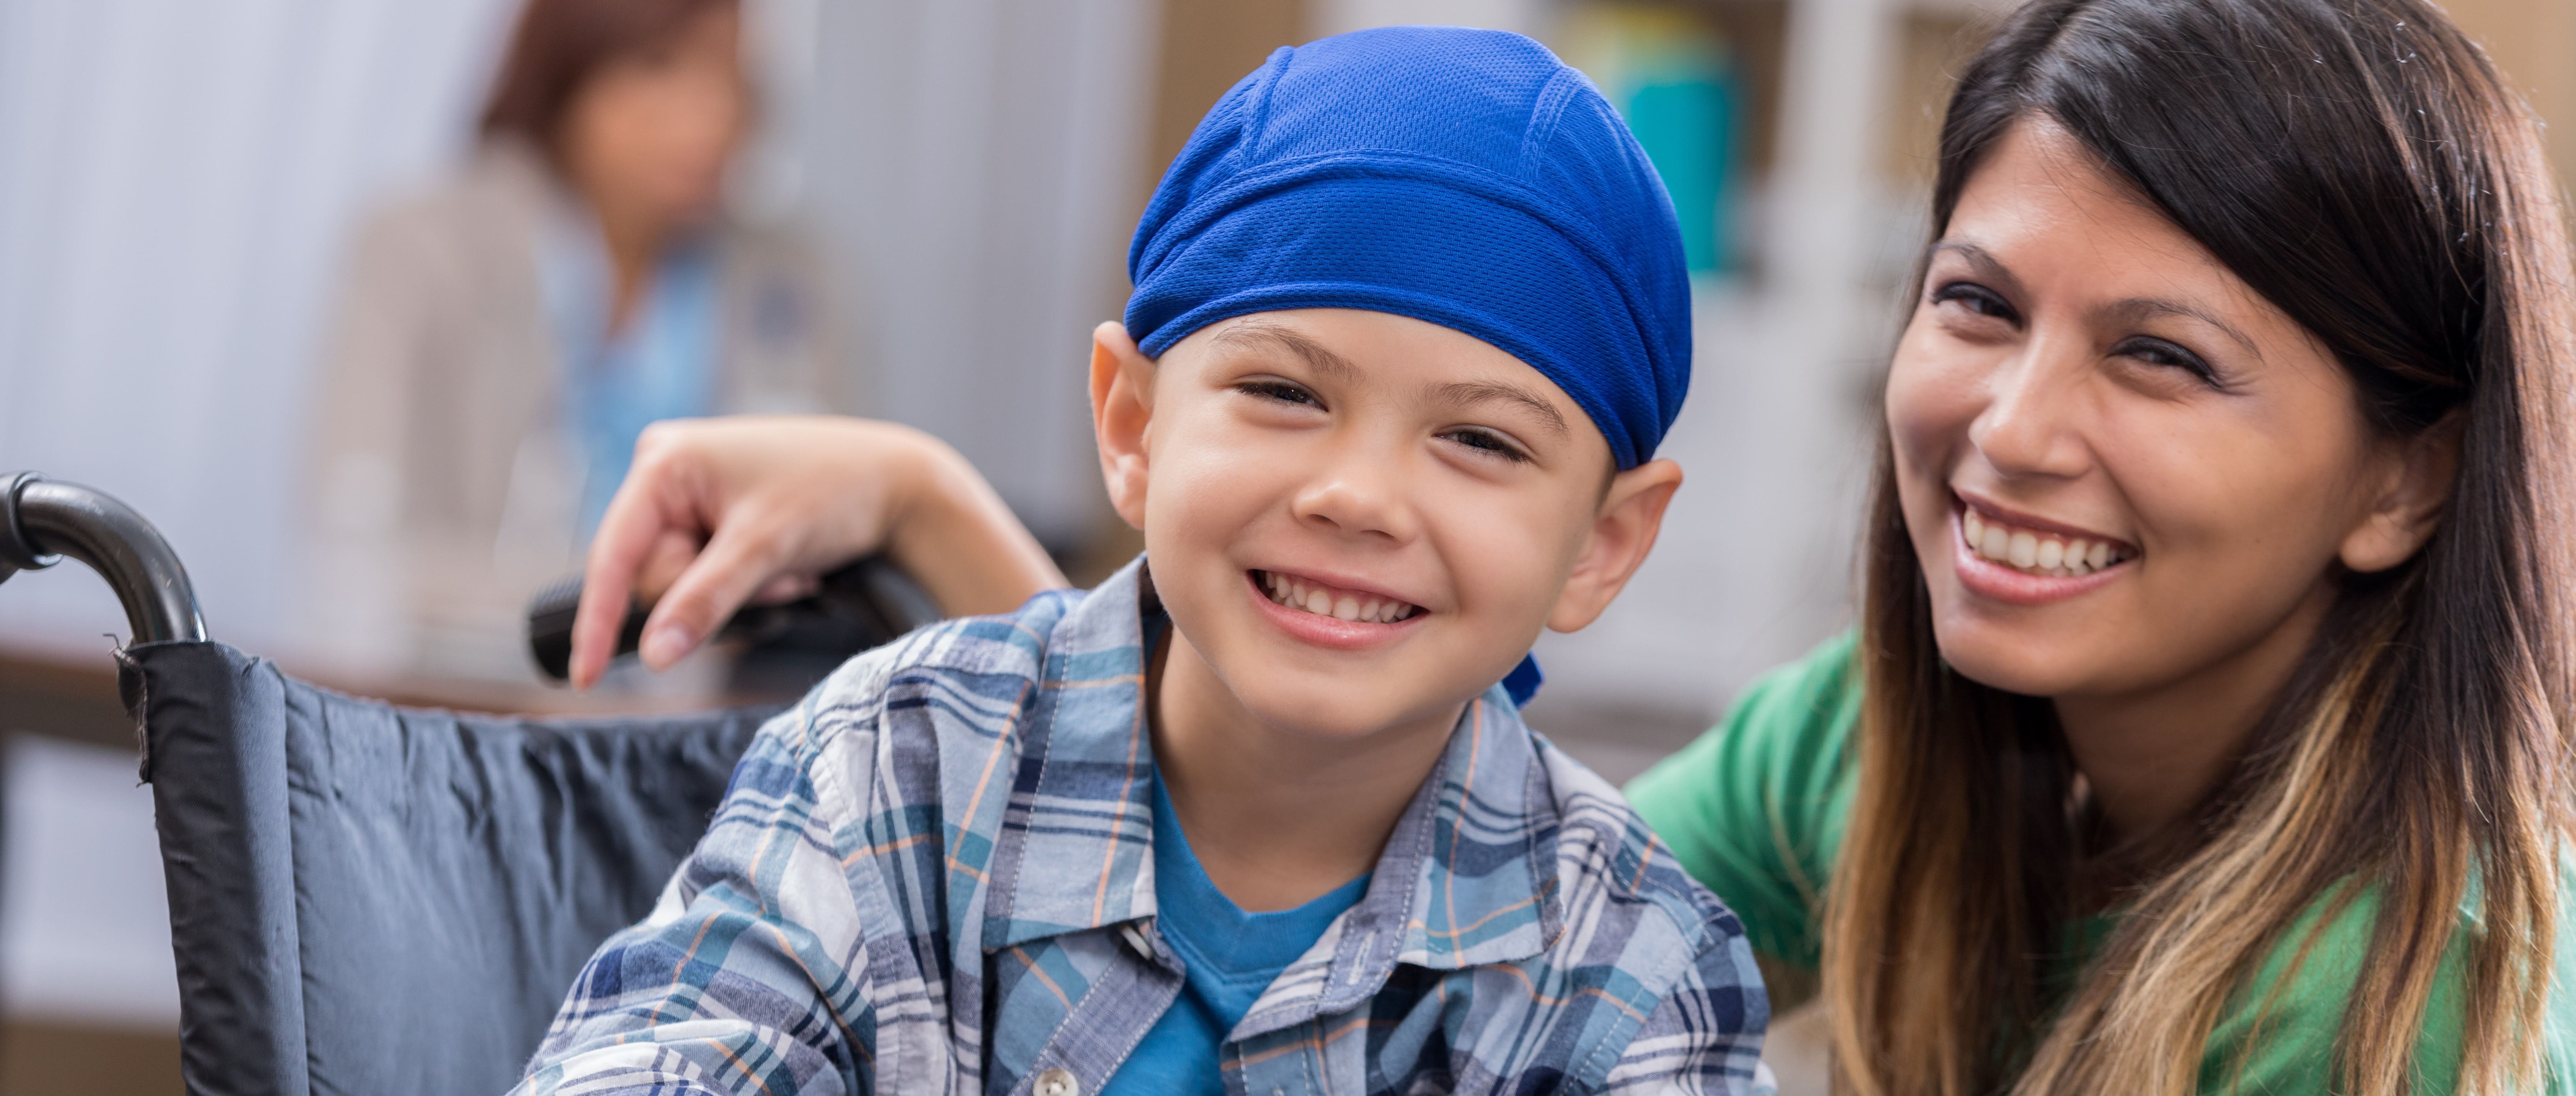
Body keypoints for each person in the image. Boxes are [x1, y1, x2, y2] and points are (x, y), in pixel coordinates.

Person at [557, 0, 2576, 1091]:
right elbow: (1352, 818)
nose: (2017, 424)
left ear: (2408, 475)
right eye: (1976, 305)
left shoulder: (2422, 997)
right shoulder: (1866, 748)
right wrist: (925, 508)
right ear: (1133, 410)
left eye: (2164, 354)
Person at [518, 28, 1771, 1096]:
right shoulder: (892, 766)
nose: (1356, 496)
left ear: (1602, 545)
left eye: (1480, 440)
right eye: (1284, 390)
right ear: (1133, 426)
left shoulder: (1638, 967)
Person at [301, 0, 856, 681]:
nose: (713, 114)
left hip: (705, 736)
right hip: (461, 717)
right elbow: (360, 562)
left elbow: (828, 551)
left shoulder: (792, 281)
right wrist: (636, 595)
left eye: (734, 77)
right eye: (660, 66)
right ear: (568, 73)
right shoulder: (418, 253)